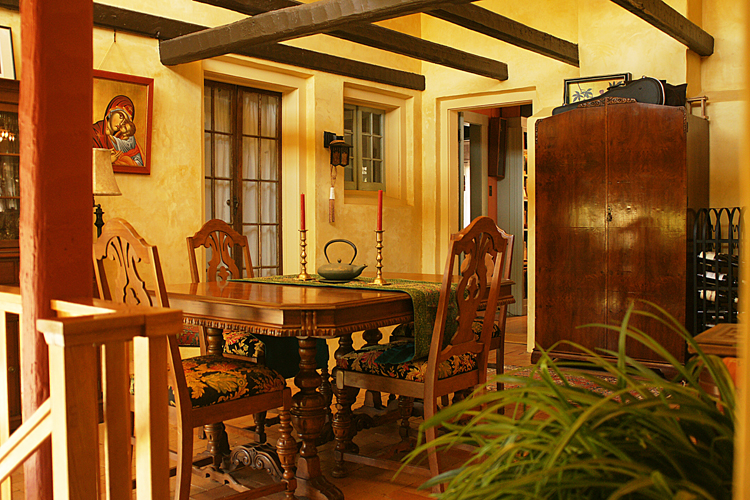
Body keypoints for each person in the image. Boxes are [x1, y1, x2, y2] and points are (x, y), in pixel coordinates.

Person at [92, 95, 144, 167]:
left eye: (125, 121)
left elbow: (139, 163)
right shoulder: (94, 132)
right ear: (111, 111)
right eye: (121, 116)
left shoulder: (123, 137)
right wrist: (107, 159)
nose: (122, 123)